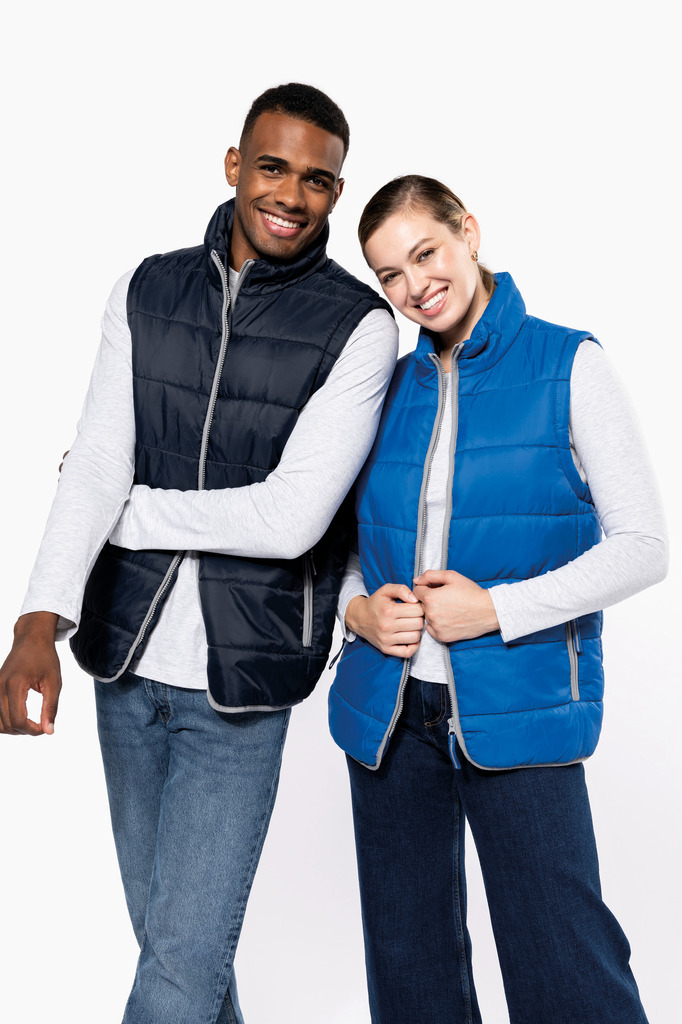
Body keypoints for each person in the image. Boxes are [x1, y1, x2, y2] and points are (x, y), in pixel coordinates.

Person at [0, 83, 397, 1023]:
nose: (290, 195)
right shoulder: (146, 289)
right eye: (272, 167)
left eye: (316, 180)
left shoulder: (360, 327)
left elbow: (291, 519)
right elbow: (99, 458)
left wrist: (129, 513)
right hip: (124, 661)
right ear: (233, 166)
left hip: (243, 682)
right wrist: (37, 623)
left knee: (179, 967)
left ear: (337, 194)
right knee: (178, 955)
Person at [328, 174, 667, 1024]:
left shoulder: (568, 363)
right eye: (390, 274)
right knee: (411, 979)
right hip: (391, 714)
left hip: (519, 701)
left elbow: (644, 546)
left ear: (468, 233)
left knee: (564, 969)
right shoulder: (385, 387)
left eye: (426, 254)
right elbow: (345, 539)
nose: (415, 286)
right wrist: (356, 608)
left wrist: (497, 610)